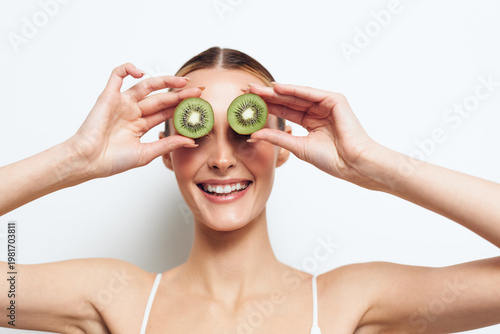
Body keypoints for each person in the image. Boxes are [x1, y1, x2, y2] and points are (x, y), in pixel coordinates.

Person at [1, 46, 499, 334]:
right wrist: (74, 160)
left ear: (285, 145)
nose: (221, 158)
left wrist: (375, 165)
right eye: (196, 131)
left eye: (246, 131)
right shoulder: (114, 298)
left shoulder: (349, 301)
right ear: (167, 151)